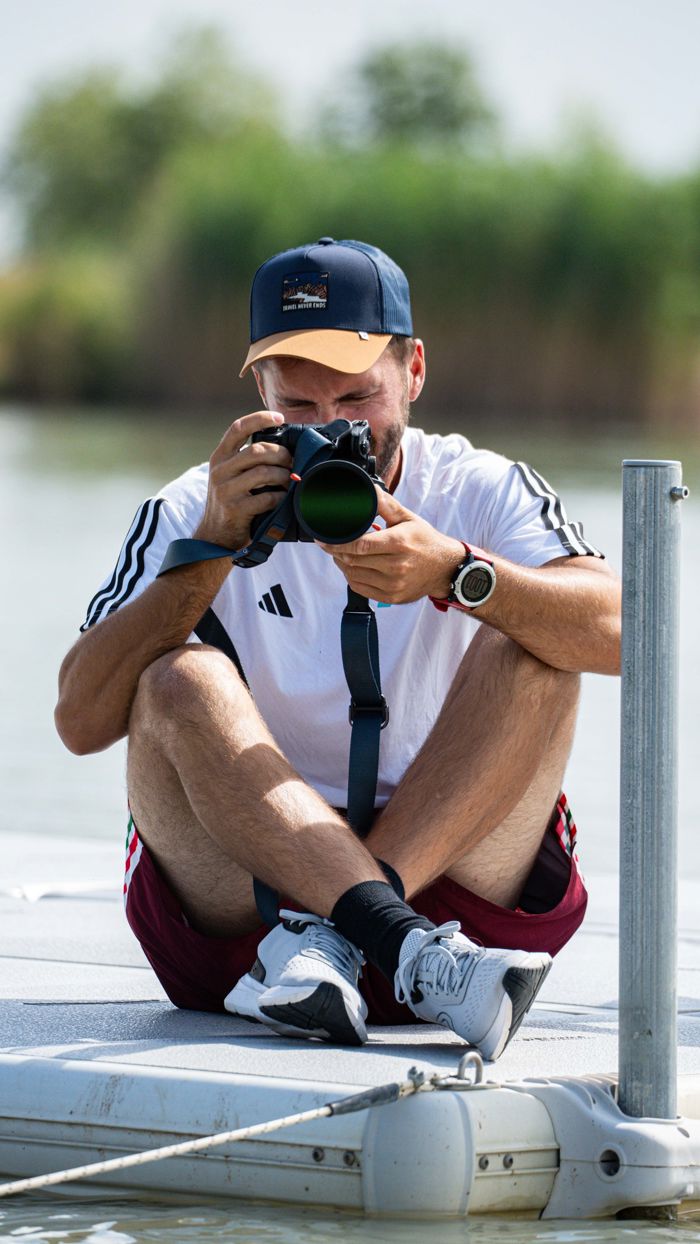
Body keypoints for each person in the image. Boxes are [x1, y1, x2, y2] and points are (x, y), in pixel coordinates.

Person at [55, 238, 620, 1060]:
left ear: (415, 371)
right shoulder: (193, 505)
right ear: (259, 390)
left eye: (358, 399)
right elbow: (79, 718)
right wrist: (209, 553)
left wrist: (459, 573)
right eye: (302, 410)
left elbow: (628, 632)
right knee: (177, 676)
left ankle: (354, 934)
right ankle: (386, 934)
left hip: (453, 903)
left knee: (531, 647)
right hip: (261, 926)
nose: (331, 433)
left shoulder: (482, 487)